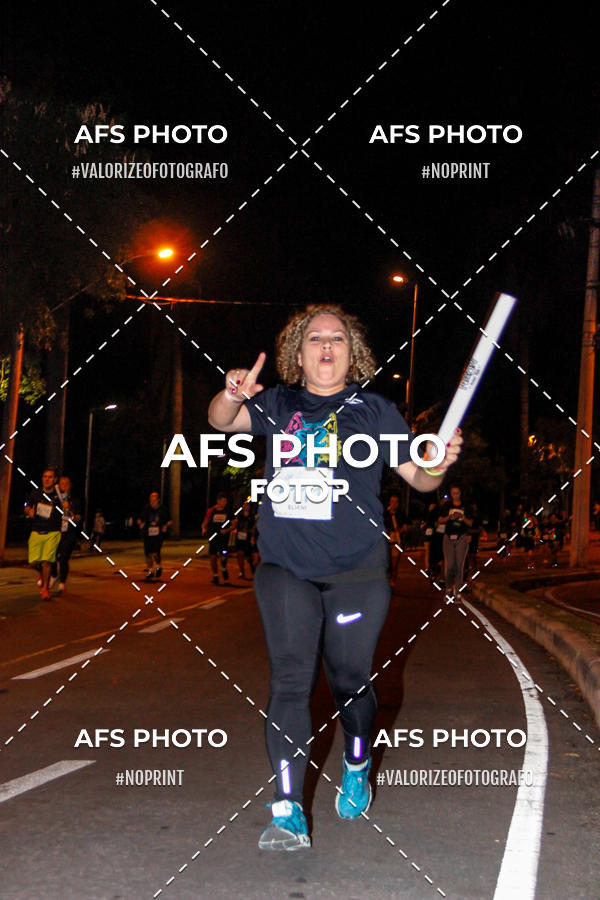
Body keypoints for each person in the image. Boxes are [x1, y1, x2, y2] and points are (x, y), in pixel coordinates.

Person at [208, 304, 462, 851]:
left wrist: (440, 461)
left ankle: (356, 758)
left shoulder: (374, 411)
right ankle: (286, 811)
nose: (327, 346)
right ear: (297, 354)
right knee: (292, 680)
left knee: (350, 681)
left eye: (338, 339)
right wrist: (231, 393)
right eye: (315, 338)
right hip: (285, 568)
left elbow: (419, 480)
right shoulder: (275, 403)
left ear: (354, 353)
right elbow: (221, 421)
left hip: (356, 572)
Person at [25, 468, 62, 601]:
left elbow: (67, 510)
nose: (47, 479)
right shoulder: (35, 493)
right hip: (36, 531)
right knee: (34, 562)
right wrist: (28, 510)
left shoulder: (58, 496)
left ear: (55, 480)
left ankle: (45, 589)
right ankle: (42, 574)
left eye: (50, 477)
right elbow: (26, 505)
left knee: (46, 562)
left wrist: (67, 507)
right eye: (45, 476)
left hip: (52, 532)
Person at [438, 485, 473, 597]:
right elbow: (440, 520)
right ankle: (448, 588)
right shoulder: (447, 505)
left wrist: (461, 517)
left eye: (457, 493)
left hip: (461, 537)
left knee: (459, 565)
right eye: (453, 493)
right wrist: (449, 517)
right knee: (449, 566)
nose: (455, 495)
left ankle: (457, 591)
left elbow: (470, 523)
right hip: (448, 537)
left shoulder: (466, 506)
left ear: (460, 493)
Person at [52, 475, 81, 593]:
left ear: (70, 486)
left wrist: (70, 512)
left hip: (69, 534)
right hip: (56, 532)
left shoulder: (75, 500)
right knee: (51, 557)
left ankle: (62, 583)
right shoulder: (54, 499)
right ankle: (54, 575)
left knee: (64, 559)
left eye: (66, 483)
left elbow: (79, 518)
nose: (64, 485)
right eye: (61, 483)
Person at [137, 491, 172, 580]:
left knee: (155, 553)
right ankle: (150, 571)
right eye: (151, 500)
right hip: (147, 534)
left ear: (158, 500)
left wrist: (165, 526)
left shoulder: (163, 509)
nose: (152, 502)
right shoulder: (146, 509)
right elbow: (139, 519)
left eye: (154, 500)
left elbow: (170, 520)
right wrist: (140, 523)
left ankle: (159, 566)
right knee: (148, 554)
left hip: (158, 535)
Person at [202, 493, 234, 585]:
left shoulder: (228, 511)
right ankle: (215, 575)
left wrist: (227, 530)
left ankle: (224, 569)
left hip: (224, 538)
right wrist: (204, 528)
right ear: (218, 501)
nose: (225, 503)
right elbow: (206, 521)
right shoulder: (211, 510)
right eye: (223, 501)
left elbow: (234, 524)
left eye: (226, 501)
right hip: (213, 537)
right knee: (213, 557)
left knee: (224, 556)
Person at [383, 493, 405, 584]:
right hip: (386, 540)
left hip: (397, 540)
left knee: (395, 563)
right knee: (387, 564)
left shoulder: (401, 514)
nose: (394, 504)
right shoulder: (385, 513)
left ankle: (392, 582)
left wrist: (400, 530)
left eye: (396, 502)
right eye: (392, 501)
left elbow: (405, 526)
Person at [234, 499, 256, 579]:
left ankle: (253, 570)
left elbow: (254, 528)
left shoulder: (252, 516)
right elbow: (235, 525)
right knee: (240, 554)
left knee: (250, 558)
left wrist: (250, 533)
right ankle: (241, 572)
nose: (245, 506)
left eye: (247, 505)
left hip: (248, 538)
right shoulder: (239, 516)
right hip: (239, 538)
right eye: (244, 505)